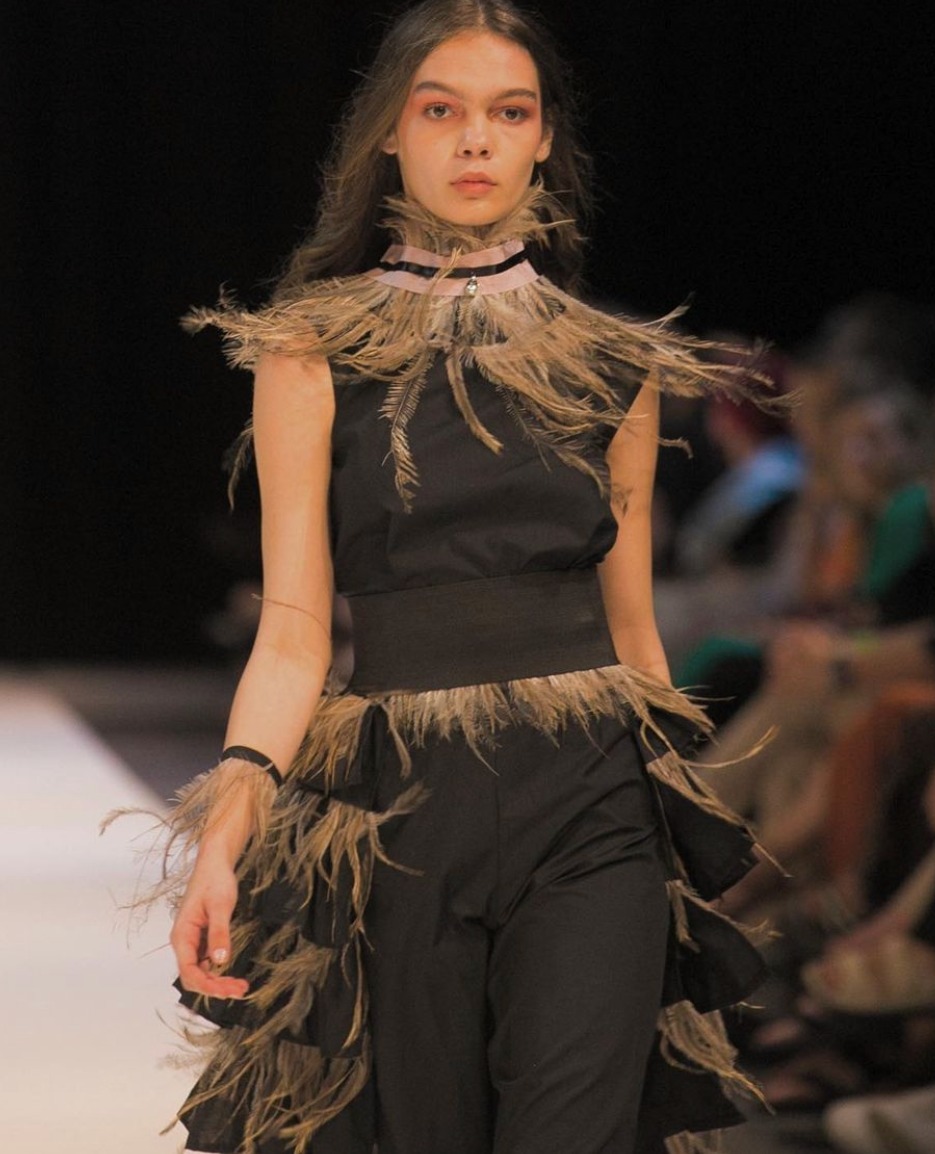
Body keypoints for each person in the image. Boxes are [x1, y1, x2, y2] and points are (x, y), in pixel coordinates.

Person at [149, 3, 770, 1152]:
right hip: (398, 810)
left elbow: (633, 633)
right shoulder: (311, 351)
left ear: (544, 140)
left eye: (508, 112)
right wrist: (227, 825)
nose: (475, 139)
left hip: (591, 798)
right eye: (440, 110)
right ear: (389, 131)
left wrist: (679, 825)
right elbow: (293, 628)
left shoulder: (611, 363)